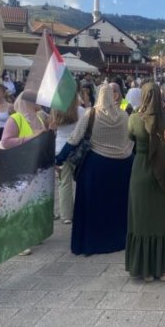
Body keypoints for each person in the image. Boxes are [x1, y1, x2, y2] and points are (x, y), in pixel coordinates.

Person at [56, 84, 133, 253]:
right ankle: (118, 240)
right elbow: (130, 139)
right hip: (122, 166)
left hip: (96, 166)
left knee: (94, 207)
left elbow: (74, 138)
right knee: (117, 206)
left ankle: (94, 243)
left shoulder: (91, 113)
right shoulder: (123, 115)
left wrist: (59, 158)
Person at [126, 83, 165, 282]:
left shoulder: (135, 118)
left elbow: (130, 137)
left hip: (141, 170)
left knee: (143, 220)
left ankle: (145, 269)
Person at [52, 94, 85, 224]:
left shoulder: (55, 110)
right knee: (81, 182)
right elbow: (83, 130)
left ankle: (66, 215)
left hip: (60, 150)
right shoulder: (80, 111)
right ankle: (81, 211)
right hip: (77, 151)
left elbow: (53, 129)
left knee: (64, 183)